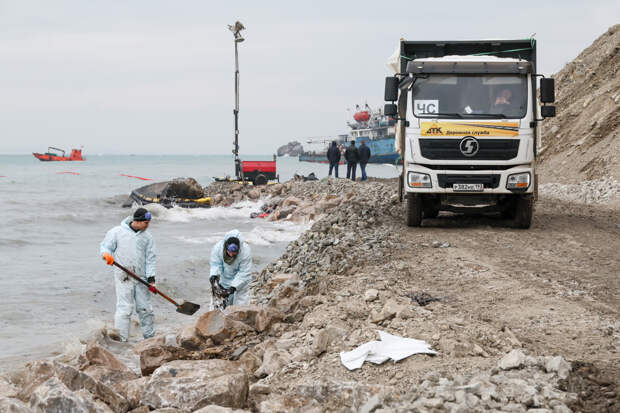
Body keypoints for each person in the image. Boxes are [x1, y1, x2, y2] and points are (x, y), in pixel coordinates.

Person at [100, 207, 156, 342]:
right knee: (124, 309)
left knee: (145, 309)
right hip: (123, 275)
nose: (147, 225)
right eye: (145, 223)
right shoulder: (116, 232)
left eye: (149, 223)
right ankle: (122, 341)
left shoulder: (147, 237)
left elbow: (150, 258)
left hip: (142, 277)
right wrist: (107, 255)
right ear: (137, 221)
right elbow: (105, 247)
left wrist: (151, 279)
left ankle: (150, 340)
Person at [209, 230, 252, 309]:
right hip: (224, 278)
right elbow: (215, 264)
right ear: (226, 247)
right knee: (218, 305)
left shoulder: (245, 251)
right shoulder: (218, 248)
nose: (231, 254)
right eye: (229, 252)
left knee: (239, 307)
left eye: (234, 252)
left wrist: (233, 287)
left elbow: (244, 272)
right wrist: (214, 276)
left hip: (241, 282)